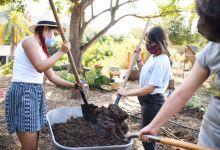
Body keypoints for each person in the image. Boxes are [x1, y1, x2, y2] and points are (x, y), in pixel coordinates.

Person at [138, 0, 220, 149]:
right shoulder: (212, 49)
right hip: (209, 138)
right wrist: (154, 125)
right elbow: (181, 94)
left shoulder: (162, 60)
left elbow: (152, 87)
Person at [4, 20, 80, 150]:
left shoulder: (43, 52)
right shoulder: (29, 41)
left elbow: (52, 77)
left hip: (36, 93)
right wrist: (61, 52)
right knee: (30, 147)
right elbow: (39, 67)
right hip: (24, 92)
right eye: (54, 34)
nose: (54, 38)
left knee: (33, 144)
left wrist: (73, 85)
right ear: (45, 28)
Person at [117, 26, 171, 150]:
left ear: (159, 42)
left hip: (153, 102)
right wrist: (139, 59)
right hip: (147, 101)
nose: (148, 45)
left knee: (147, 138)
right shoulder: (154, 57)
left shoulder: (162, 61)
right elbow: (144, 71)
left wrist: (127, 92)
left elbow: (150, 88)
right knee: (146, 135)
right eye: (147, 42)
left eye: (151, 42)